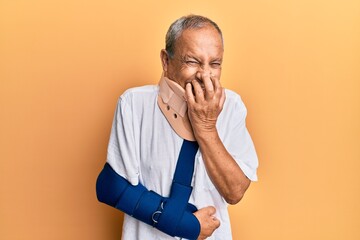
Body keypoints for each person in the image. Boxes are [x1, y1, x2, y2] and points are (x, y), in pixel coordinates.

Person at [97, 14, 258, 240]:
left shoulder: (232, 107)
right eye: (192, 61)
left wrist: (206, 126)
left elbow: (235, 192)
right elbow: (112, 187)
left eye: (215, 64)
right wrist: (185, 225)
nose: (205, 74)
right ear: (166, 61)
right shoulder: (133, 103)